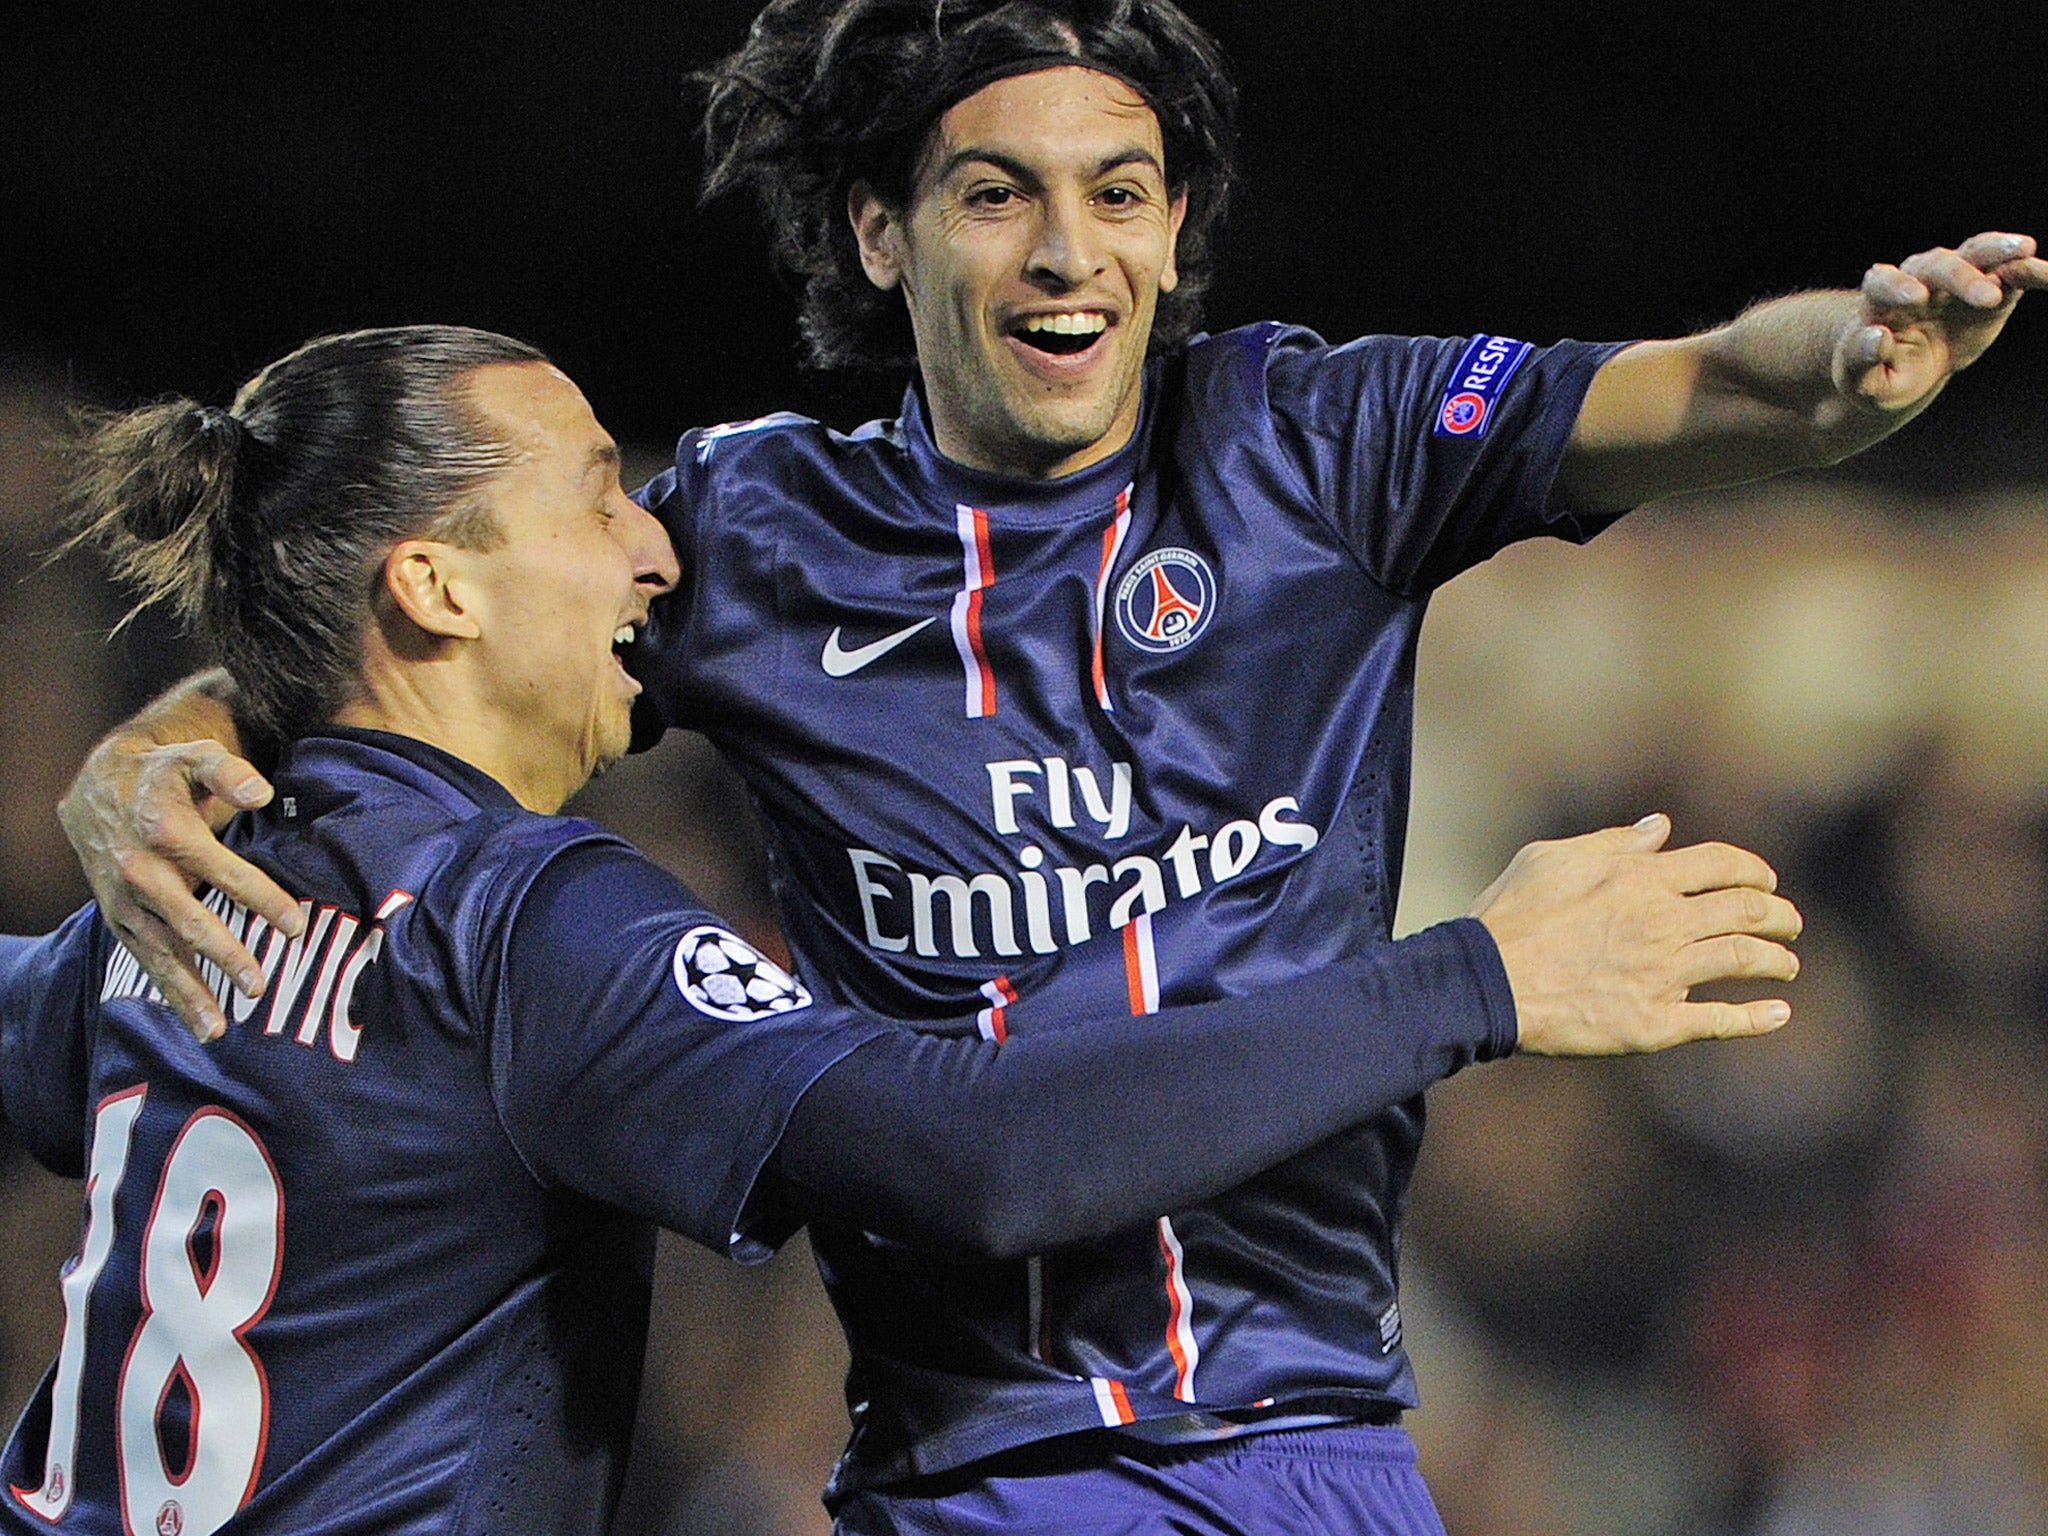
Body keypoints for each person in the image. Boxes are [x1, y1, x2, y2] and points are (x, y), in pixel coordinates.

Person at [60, 2, 2033, 1530]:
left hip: (1321, 1450)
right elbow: (423, 661)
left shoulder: (1317, 445)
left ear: (1178, 233)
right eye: (994, 190)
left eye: (1116, 188)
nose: (1061, 243)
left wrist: (1845, 366)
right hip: (974, 1470)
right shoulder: (744, 537)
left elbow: (1687, 388)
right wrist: (162, 745)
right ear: (881, 232)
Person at [1, 326, 1800, 1536]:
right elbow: (968, 1152)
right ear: (438, 583)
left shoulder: (165, 913)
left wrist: (160, 740)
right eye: (598, 494)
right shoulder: (530, 925)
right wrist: (1473, 980)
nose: (654, 551)